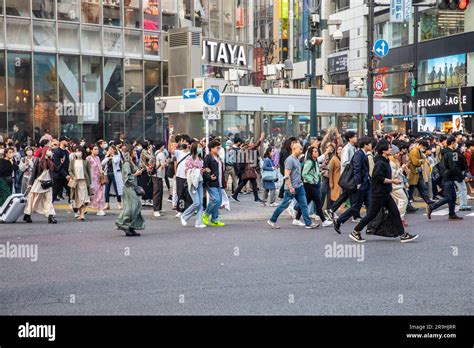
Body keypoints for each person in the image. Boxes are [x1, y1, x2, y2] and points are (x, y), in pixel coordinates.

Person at [350, 140, 418, 243]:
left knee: (395, 213)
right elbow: (378, 178)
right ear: (383, 150)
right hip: (379, 194)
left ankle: (403, 235)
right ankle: (355, 231)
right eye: (389, 147)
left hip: (385, 193)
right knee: (371, 215)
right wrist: (393, 181)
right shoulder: (380, 163)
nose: (391, 149)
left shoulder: (385, 161)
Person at [267, 142, 319, 229]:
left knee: (304, 204)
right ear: (294, 149)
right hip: (291, 188)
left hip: (299, 187)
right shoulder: (290, 160)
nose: (301, 151)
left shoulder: (297, 159)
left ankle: (308, 223)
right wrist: (290, 187)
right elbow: (286, 175)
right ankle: (272, 220)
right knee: (284, 205)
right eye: (300, 149)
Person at [333, 137, 372, 234]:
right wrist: (358, 183)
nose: (371, 145)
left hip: (365, 185)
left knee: (370, 206)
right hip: (360, 185)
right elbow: (357, 169)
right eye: (370, 144)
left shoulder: (363, 154)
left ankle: (370, 227)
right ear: (365, 145)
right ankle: (339, 220)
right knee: (355, 207)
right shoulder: (359, 154)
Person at [426, 136, 466, 221]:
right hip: (447, 178)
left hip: (447, 177)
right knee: (448, 197)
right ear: (452, 143)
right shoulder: (450, 154)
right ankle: (432, 207)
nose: (456, 144)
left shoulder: (447, 153)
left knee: (453, 197)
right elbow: (453, 167)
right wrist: (461, 176)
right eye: (455, 142)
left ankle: (452, 214)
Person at [294, 146, 332, 227]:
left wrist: (319, 174)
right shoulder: (309, 162)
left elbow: (315, 173)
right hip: (309, 185)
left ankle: (296, 219)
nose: (316, 152)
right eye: (314, 152)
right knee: (318, 201)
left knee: (306, 202)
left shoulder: (315, 162)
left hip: (312, 184)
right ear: (311, 154)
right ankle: (324, 221)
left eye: (317, 151)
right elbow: (304, 174)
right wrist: (312, 180)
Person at [325, 131, 358, 220]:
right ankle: (332, 210)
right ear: (350, 138)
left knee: (349, 195)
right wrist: (355, 164)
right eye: (354, 136)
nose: (356, 138)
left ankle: (354, 215)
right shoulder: (347, 149)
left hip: (350, 176)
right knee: (347, 195)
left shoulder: (353, 148)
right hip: (348, 176)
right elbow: (344, 163)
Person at [116, 145, 145, 236]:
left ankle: (131, 227)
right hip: (129, 188)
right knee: (131, 208)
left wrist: (139, 171)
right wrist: (136, 174)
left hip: (133, 187)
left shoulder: (131, 162)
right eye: (134, 151)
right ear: (130, 152)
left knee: (135, 207)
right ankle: (124, 225)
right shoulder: (126, 164)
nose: (135, 153)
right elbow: (126, 178)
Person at [23, 146, 57, 224]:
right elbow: (34, 173)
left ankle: (51, 216)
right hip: (38, 183)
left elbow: (55, 170)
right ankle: (27, 214)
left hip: (48, 184)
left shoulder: (50, 160)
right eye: (49, 150)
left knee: (49, 200)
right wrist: (30, 184)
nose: (50, 151)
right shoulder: (38, 160)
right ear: (45, 151)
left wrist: (54, 160)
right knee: (33, 199)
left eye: (50, 150)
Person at [231, 133, 265, 203]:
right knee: (252, 183)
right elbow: (256, 145)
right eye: (250, 143)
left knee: (245, 183)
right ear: (248, 144)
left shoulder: (245, 150)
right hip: (249, 169)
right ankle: (256, 198)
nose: (252, 143)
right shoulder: (248, 149)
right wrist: (260, 139)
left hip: (247, 169)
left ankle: (235, 195)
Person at [181, 142, 206, 228]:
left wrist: (203, 170)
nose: (200, 148)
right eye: (199, 147)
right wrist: (198, 170)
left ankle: (199, 222)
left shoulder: (200, 159)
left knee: (200, 203)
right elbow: (187, 171)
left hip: (200, 181)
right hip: (192, 183)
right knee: (196, 203)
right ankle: (184, 216)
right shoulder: (189, 159)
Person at [202, 140, 225, 227]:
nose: (218, 149)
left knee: (219, 202)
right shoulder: (208, 157)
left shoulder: (218, 157)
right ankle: (206, 214)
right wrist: (209, 177)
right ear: (211, 148)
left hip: (218, 181)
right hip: (211, 182)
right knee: (216, 199)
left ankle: (215, 219)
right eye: (217, 147)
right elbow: (204, 169)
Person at [407, 140, 434, 205]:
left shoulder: (418, 151)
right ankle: (408, 204)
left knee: (422, 187)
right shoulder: (414, 151)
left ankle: (428, 201)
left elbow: (423, 158)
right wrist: (422, 161)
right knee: (411, 189)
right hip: (413, 172)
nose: (424, 149)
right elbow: (416, 162)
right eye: (424, 147)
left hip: (417, 172)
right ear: (421, 145)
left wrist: (421, 160)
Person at [69, 146, 92, 221]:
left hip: (84, 182)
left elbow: (89, 173)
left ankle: (82, 214)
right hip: (76, 183)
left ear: (82, 153)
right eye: (76, 151)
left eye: (79, 151)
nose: (78, 152)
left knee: (83, 199)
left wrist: (90, 183)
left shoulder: (86, 162)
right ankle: (81, 213)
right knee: (77, 199)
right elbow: (70, 170)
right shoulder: (72, 162)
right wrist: (73, 176)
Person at [389, 145, 409, 227]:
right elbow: (393, 175)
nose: (398, 154)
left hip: (397, 184)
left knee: (397, 202)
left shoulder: (395, 161)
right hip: (395, 185)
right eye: (396, 153)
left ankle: (396, 218)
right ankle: (400, 218)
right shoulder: (391, 162)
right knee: (403, 200)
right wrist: (402, 168)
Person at [102, 145, 123, 210]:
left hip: (115, 174)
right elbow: (102, 163)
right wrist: (108, 157)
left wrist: (112, 156)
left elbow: (115, 161)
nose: (109, 150)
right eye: (109, 149)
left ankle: (119, 203)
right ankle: (107, 204)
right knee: (106, 189)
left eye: (111, 149)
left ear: (114, 150)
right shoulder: (107, 156)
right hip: (107, 174)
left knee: (117, 189)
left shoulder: (117, 156)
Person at [86, 145, 106, 216]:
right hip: (91, 179)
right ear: (91, 150)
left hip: (99, 178)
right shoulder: (88, 158)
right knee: (91, 194)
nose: (97, 150)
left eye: (97, 149)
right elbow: (86, 169)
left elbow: (100, 166)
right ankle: (84, 207)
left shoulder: (98, 158)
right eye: (95, 149)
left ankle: (100, 209)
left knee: (101, 193)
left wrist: (102, 172)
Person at [151, 140, 167, 217]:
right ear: (161, 146)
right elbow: (163, 165)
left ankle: (158, 208)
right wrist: (166, 163)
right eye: (163, 145)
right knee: (157, 192)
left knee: (158, 192)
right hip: (158, 175)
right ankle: (156, 209)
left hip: (155, 174)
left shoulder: (156, 153)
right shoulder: (161, 154)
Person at [52, 136, 70, 202]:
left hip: (65, 177)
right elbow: (57, 166)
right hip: (58, 177)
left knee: (71, 192)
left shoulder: (67, 152)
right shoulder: (57, 152)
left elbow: (68, 164)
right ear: (62, 141)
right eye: (66, 141)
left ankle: (75, 208)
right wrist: (66, 175)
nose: (67, 142)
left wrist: (68, 174)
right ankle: (48, 208)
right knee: (54, 194)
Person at [328, 144, 342, 211]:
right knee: (334, 196)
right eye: (339, 149)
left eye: (342, 149)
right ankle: (331, 211)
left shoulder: (343, 158)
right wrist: (331, 182)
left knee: (339, 197)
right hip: (335, 180)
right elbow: (330, 171)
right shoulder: (334, 159)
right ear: (337, 151)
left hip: (342, 181)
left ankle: (333, 211)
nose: (340, 151)